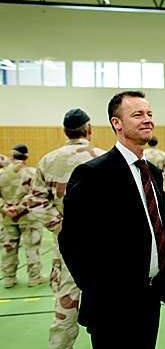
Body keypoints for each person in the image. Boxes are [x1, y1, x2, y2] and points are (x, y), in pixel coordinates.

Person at [58, 91, 165, 348]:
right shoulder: (93, 174)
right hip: (112, 306)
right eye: (137, 115)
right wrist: (100, 293)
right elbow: (71, 241)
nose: (147, 120)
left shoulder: (152, 172)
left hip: (150, 296)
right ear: (117, 123)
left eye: (149, 114)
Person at [23, 108, 106, 349]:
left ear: (65, 131)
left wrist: (62, 228)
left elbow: (36, 201)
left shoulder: (48, 160)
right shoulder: (103, 158)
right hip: (100, 248)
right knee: (106, 308)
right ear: (89, 129)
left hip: (66, 247)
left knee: (65, 305)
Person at [0, 144, 47, 288]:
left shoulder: (2, 173)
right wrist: (19, 208)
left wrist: (5, 208)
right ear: (26, 156)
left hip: (6, 218)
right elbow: (35, 194)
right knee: (32, 247)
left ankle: (9, 278)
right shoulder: (32, 172)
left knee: (8, 248)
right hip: (28, 217)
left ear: (12, 155)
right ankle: (34, 277)